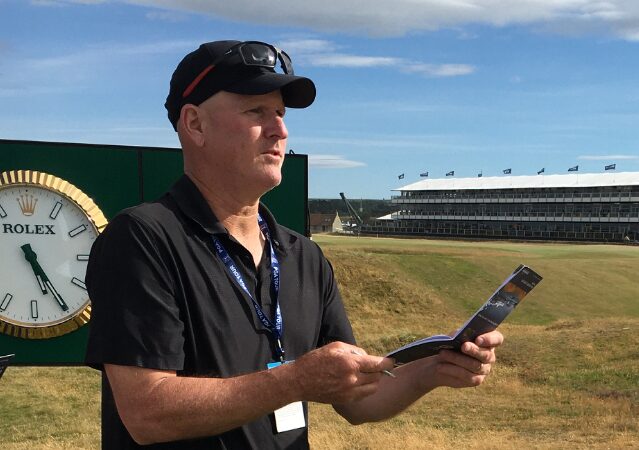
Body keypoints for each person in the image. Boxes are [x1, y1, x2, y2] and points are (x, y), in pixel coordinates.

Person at [85, 40, 503, 449]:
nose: (280, 130)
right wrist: (293, 380)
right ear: (194, 123)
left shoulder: (302, 255)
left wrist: (435, 367)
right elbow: (147, 412)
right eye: (256, 111)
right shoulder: (143, 239)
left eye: (282, 114)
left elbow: (358, 401)